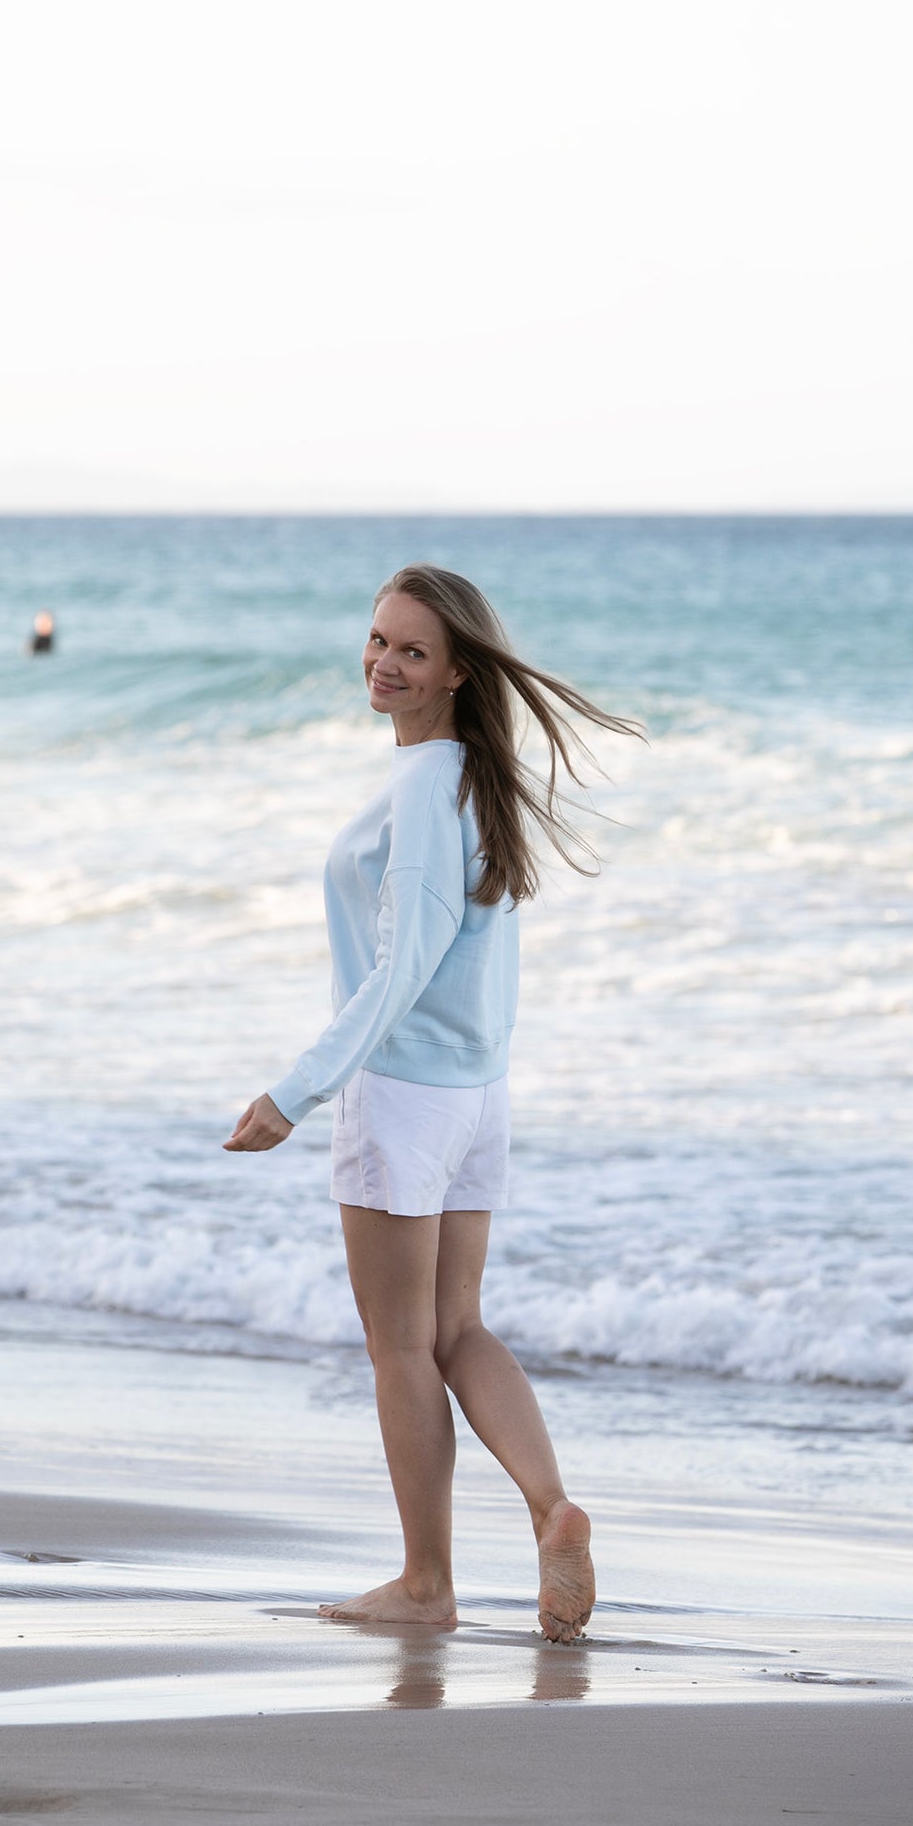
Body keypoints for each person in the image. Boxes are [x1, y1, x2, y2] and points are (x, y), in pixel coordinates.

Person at [224, 564, 641, 1642]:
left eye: (412, 650)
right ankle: (551, 1507)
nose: (384, 663)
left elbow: (402, 963)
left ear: (457, 671)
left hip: (401, 1095)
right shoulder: (472, 779)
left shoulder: (422, 788)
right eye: (378, 639)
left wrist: (294, 1091)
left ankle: (425, 1583)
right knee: (458, 1328)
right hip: (474, 1096)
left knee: (402, 1346)